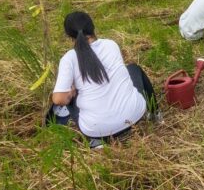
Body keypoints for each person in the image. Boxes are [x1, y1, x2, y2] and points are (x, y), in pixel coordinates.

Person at [49, 11, 160, 149]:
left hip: (97, 130)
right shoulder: (111, 44)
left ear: (69, 36)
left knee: (68, 95)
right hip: (134, 115)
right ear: (92, 26)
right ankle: (155, 115)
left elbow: (58, 99)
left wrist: (72, 92)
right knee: (133, 68)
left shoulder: (69, 59)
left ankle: (96, 141)